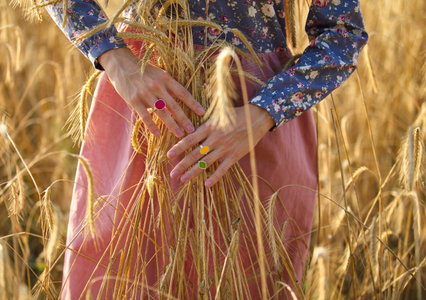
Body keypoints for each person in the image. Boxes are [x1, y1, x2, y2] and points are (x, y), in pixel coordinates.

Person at [46, 0, 368, 298]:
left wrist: (263, 112)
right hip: (148, 104)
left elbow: (343, 34)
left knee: (246, 279)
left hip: (255, 119)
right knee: (126, 280)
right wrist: (115, 58)